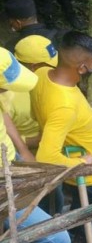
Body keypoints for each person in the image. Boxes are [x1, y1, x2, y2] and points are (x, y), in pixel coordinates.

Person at [30, 31, 92, 243]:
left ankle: (79, 227)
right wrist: (81, 164)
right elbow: (47, 156)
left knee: (89, 199)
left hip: (85, 152)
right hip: (89, 169)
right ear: (81, 68)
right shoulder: (64, 106)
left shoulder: (43, 73)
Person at [0, 46, 71, 243]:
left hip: (12, 164)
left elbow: (5, 118)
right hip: (4, 186)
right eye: (5, 88)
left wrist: (23, 151)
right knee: (58, 242)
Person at [12, 35, 64, 214]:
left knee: (56, 194)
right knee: (41, 201)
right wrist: (30, 144)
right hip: (25, 159)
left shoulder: (48, 80)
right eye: (48, 65)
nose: (54, 68)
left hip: (49, 150)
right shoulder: (10, 94)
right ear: (33, 66)